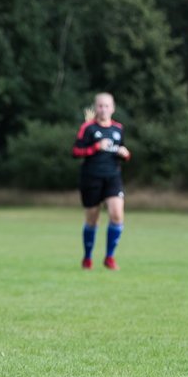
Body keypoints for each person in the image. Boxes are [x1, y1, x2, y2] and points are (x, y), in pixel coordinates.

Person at [72, 92, 130, 270]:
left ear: (112, 108)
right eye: (100, 106)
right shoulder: (87, 128)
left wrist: (126, 154)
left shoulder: (118, 129)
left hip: (113, 177)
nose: (103, 109)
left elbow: (123, 151)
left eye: (107, 106)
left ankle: (109, 257)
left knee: (117, 215)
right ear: (95, 108)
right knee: (92, 220)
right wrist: (95, 147)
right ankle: (87, 258)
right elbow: (76, 152)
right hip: (91, 178)